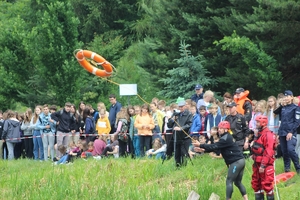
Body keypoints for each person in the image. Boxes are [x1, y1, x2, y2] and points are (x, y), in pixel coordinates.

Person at [193, 121, 248, 200]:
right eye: (219, 128)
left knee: (229, 181)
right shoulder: (226, 137)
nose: (219, 130)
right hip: (241, 161)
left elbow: (215, 146)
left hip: (236, 162)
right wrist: (202, 150)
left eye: (221, 128)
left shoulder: (225, 138)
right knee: (237, 182)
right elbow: (218, 149)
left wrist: (200, 145)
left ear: (226, 130)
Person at [273, 90, 300, 173]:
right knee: (284, 152)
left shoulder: (296, 108)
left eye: (288, 96)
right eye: (285, 96)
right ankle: (287, 168)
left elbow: (297, 122)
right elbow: (275, 112)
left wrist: (291, 132)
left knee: (291, 150)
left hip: (291, 132)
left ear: (292, 97)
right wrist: (281, 105)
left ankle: (298, 167)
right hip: (282, 132)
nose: (286, 98)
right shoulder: (283, 107)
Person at [250, 116, 276, 200]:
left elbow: (269, 152)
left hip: (265, 165)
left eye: (258, 122)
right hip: (256, 163)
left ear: (263, 123)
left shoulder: (268, 135)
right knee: (256, 184)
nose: (256, 124)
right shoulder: (259, 134)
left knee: (267, 185)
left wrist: (263, 165)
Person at [166, 99, 193, 167]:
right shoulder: (176, 114)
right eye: (179, 107)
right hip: (176, 136)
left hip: (185, 137)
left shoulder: (189, 114)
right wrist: (172, 119)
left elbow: (189, 125)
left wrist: (181, 128)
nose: (181, 108)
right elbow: (169, 125)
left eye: (182, 106)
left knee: (183, 153)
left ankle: (184, 167)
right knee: (177, 153)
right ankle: (177, 166)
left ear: (185, 106)